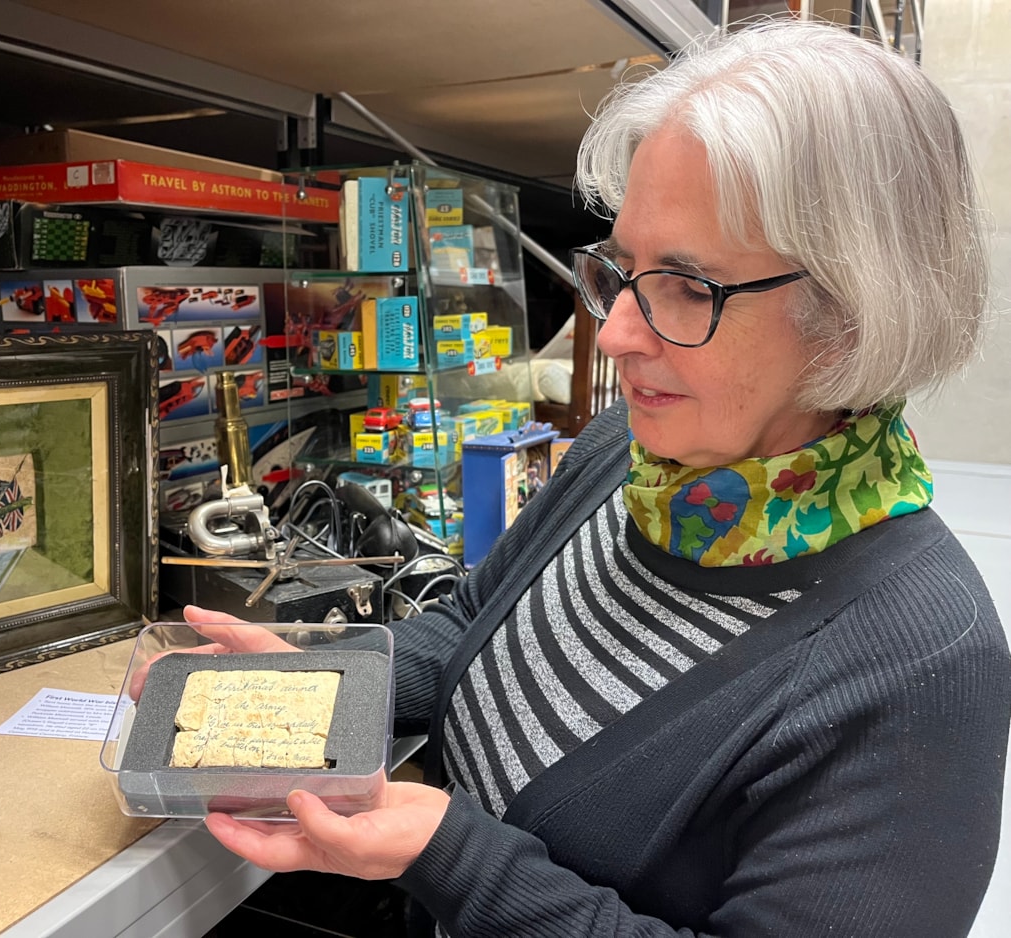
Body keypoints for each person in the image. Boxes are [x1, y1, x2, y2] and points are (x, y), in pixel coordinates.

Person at [172, 19, 1011, 937]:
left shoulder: (921, 666)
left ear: (852, 313)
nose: (613, 334)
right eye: (623, 270)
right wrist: (318, 678)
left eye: (691, 285)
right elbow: (467, 628)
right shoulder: (629, 453)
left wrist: (456, 859)